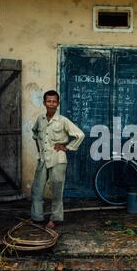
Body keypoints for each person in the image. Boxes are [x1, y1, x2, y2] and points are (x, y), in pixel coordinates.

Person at [31, 90, 85, 229]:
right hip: (43, 159)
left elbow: (80, 135)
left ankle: (55, 219)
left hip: (58, 159)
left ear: (58, 103)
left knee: (56, 190)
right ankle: (37, 217)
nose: (51, 104)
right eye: (48, 101)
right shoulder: (40, 119)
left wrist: (67, 147)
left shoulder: (63, 120)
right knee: (37, 189)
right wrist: (40, 149)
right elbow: (35, 132)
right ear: (44, 103)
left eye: (54, 101)